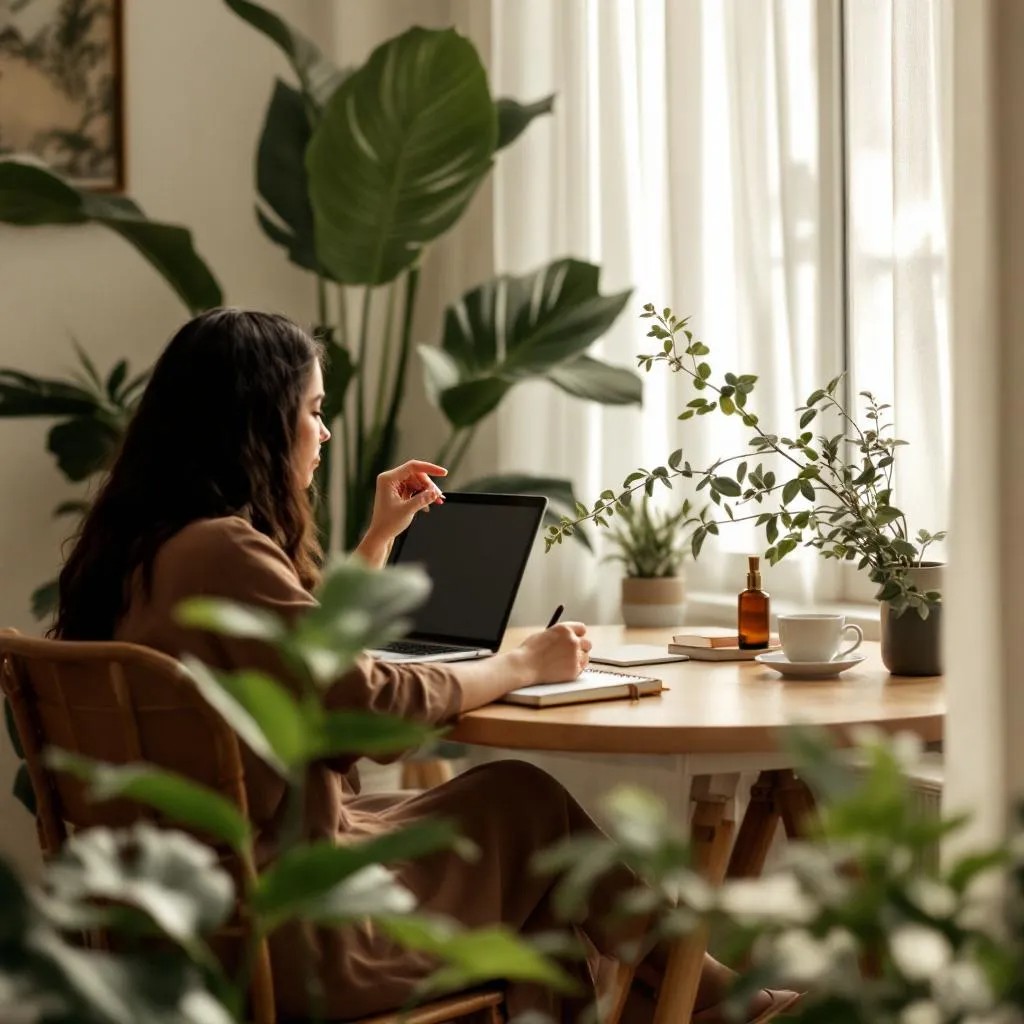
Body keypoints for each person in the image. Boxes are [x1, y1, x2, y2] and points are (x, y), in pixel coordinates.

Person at [52, 308, 798, 1023]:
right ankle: (718, 1003)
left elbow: (308, 663)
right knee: (523, 803)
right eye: (313, 410)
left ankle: (705, 1003)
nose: (326, 431)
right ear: (257, 423)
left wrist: (379, 538)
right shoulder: (219, 550)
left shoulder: (134, 555)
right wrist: (518, 665)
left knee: (520, 850)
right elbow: (367, 712)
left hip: (191, 919)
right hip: (295, 933)